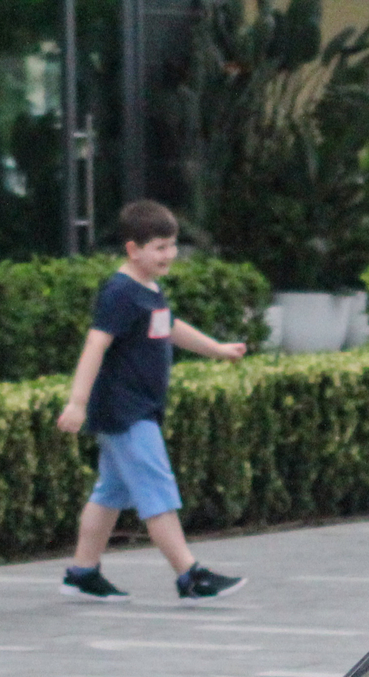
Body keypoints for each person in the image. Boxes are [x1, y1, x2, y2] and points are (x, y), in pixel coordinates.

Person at [54, 200, 248, 600]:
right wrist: (77, 402)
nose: (169, 255)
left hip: (138, 407)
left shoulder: (148, 289)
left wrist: (217, 349)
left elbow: (169, 326)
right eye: (159, 247)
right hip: (126, 412)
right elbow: (95, 344)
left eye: (172, 245)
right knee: (157, 489)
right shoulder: (120, 292)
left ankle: (82, 573)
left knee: (111, 492)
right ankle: (189, 576)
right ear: (132, 250)